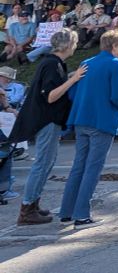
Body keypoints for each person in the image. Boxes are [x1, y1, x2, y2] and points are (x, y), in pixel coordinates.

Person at [7, 30, 86, 224]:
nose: (75, 46)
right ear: (68, 45)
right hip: (46, 120)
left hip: (48, 119)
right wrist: (73, 79)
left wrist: (69, 76)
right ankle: (27, 209)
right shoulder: (52, 64)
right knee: (42, 163)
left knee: (46, 163)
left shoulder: (52, 62)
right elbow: (51, 96)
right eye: (74, 43)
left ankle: (33, 204)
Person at [59, 29, 118, 228]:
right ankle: (82, 215)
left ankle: (67, 211)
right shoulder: (117, 64)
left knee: (78, 165)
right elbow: (117, 95)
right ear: (115, 47)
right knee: (93, 167)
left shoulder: (87, 63)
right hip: (103, 120)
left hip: (82, 119)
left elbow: (75, 92)